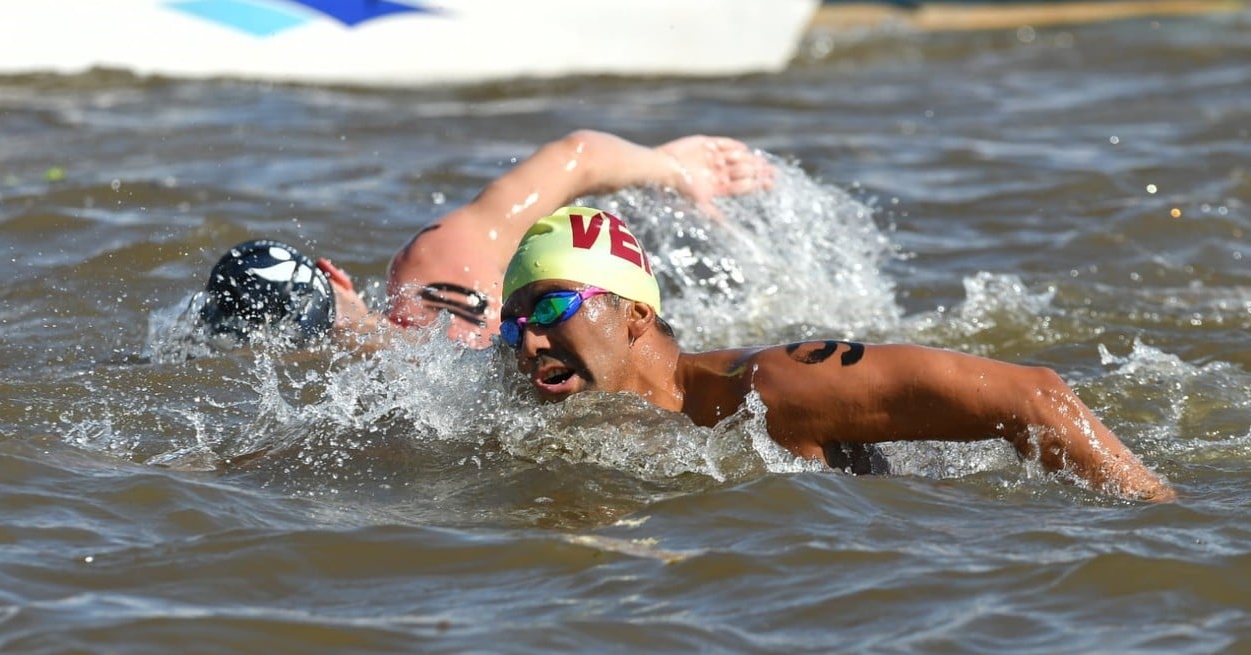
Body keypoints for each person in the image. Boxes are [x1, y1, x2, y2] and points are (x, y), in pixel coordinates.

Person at [497, 206, 1177, 502]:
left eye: (553, 306)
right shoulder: (567, 415)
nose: (529, 340)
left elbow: (1033, 396)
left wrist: (1162, 529)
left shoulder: (775, 385)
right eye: (515, 321)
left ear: (636, 311)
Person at [313, 130, 774, 350]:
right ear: (334, 277)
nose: (532, 343)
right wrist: (671, 169)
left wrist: (350, 327)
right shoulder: (436, 256)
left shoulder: (402, 376)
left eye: (550, 311)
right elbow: (580, 155)